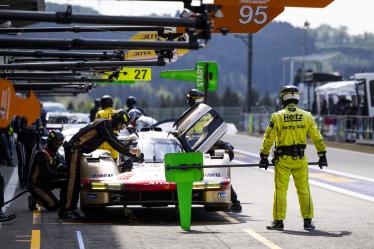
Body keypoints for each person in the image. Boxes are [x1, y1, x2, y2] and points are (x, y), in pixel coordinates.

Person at [259, 85, 328, 231]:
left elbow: (268, 138)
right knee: (304, 190)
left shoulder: (277, 116)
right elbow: (317, 137)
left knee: (280, 191)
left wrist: (264, 156)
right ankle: (308, 221)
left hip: (283, 160)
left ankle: (279, 222)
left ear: (283, 97)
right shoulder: (307, 116)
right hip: (300, 159)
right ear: (297, 97)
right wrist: (322, 155)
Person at [59, 109, 141, 220]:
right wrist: (130, 152)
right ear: (117, 120)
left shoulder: (106, 125)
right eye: (121, 124)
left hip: (76, 150)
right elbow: (113, 142)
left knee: (74, 181)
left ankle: (68, 208)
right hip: (74, 149)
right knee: (73, 180)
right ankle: (67, 210)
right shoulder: (105, 124)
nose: (121, 127)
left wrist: (129, 150)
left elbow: (114, 139)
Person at [186, 89, 242, 212]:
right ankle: (232, 202)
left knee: (217, 176)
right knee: (215, 176)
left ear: (191, 99)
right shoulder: (198, 113)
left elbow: (199, 135)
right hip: (207, 149)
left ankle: (234, 202)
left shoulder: (198, 115)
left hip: (211, 150)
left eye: (189, 99)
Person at [27, 130, 68, 211]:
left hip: (47, 182)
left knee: (68, 182)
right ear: (50, 141)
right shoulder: (42, 154)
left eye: (60, 143)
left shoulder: (55, 153)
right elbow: (48, 173)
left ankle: (63, 202)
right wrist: (65, 175)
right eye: (56, 142)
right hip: (36, 184)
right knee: (53, 206)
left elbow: (63, 165)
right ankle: (34, 199)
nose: (58, 145)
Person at [95, 95, 119, 161]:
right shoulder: (116, 113)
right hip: (114, 144)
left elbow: (96, 127)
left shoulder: (100, 113)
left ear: (102, 103)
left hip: (102, 144)